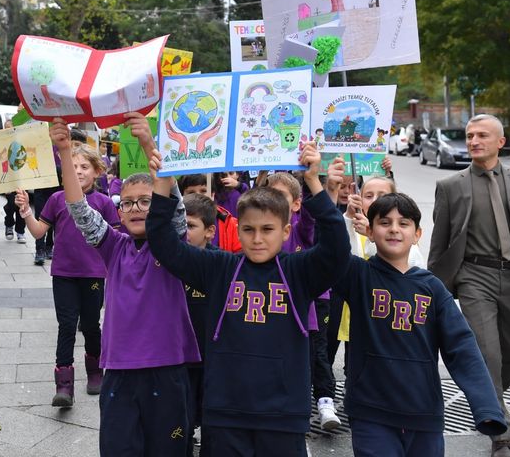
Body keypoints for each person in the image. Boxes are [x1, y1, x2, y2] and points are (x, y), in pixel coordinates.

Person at [146, 142, 351, 457]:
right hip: (225, 415)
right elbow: (164, 245)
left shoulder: (299, 271)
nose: (258, 238)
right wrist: (161, 187)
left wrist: (314, 183)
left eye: (268, 229)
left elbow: (337, 251)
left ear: (285, 232)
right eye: (249, 229)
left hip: (284, 417)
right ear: (237, 231)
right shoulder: (220, 267)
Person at [59, 113, 200, 456]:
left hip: (167, 370)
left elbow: (176, 211)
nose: (136, 208)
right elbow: (79, 209)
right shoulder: (114, 247)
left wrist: (150, 145)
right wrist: (64, 151)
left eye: (146, 201)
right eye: (127, 203)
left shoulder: (171, 246)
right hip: (119, 372)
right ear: (118, 212)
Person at [337, 193, 507, 456]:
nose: (394, 229)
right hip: (371, 413)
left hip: (424, 416)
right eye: (384, 222)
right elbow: (328, 253)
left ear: (417, 234)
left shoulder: (432, 289)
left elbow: (462, 347)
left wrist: (486, 405)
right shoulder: (358, 276)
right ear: (369, 231)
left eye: (403, 223)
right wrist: (323, 191)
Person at [429, 114, 510, 457]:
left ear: (500, 142)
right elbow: (439, 244)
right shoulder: (451, 186)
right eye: (470, 135)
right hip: (473, 277)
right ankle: (501, 432)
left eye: (482, 135)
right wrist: (433, 290)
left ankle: (491, 397)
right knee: (487, 354)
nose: (473, 141)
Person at [14, 144, 120, 407]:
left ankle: (95, 371)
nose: (78, 171)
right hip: (63, 273)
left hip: (95, 274)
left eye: (84, 167)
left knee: (91, 325)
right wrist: (26, 211)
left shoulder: (104, 203)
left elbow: (117, 239)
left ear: (97, 172)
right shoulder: (56, 199)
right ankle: (64, 384)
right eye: (73, 167)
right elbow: (39, 232)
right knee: (66, 326)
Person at [265, 172, 339, 431]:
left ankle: (323, 400)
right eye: (270, 195)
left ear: (296, 204)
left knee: (315, 352)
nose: (274, 202)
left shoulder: (299, 227)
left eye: (282, 197)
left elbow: (311, 217)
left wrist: (315, 180)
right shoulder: (262, 233)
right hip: (274, 304)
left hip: (312, 302)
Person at [181, 192, 219, 455]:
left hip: (212, 359)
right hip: (178, 359)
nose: (184, 231)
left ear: (209, 232)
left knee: (211, 420)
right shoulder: (171, 263)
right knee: (180, 420)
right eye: (180, 224)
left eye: (191, 226)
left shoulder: (221, 264)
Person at [178, 174, 242, 253]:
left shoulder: (231, 224)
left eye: (203, 191)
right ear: (182, 196)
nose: (198, 196)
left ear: (212, 195)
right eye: (191, 192)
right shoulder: (175, 222)